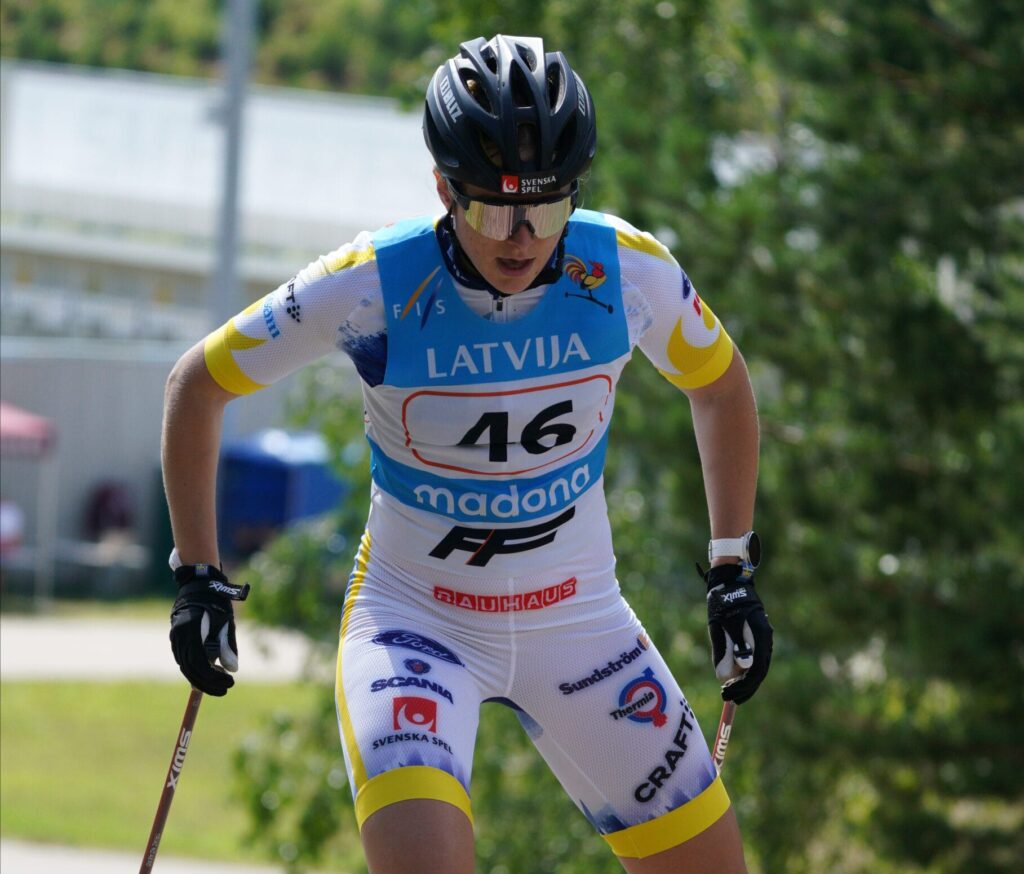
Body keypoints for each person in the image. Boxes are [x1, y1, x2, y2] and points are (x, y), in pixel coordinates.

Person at [162, 34, 772, 874]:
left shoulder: (626, 272)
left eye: (546, 211)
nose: (520, 238)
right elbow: (197, 386)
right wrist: (198, 575)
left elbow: (721, 388)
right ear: (443, 187)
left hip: (581, 623)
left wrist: (732, 567)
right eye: (492, 210)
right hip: (416, 624)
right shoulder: (371, 285)